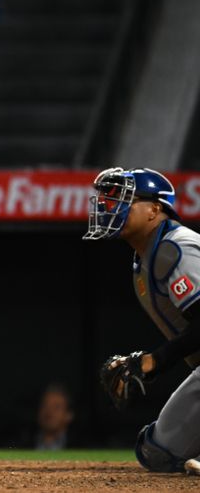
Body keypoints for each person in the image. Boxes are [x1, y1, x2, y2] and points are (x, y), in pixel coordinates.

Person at [85, 167, 200, 476]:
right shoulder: (146, 261)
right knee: (155, 451)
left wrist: (154, 361)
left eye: (124, 199)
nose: (110, 207)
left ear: (154, 210)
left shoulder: (175, 247)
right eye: (109, 199)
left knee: (158, 452)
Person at [34, 384, 74, 451]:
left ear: (69, 415)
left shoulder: (84, 447)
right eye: (45, 406)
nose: (49, 412)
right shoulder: (21, 443)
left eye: (56, 407)